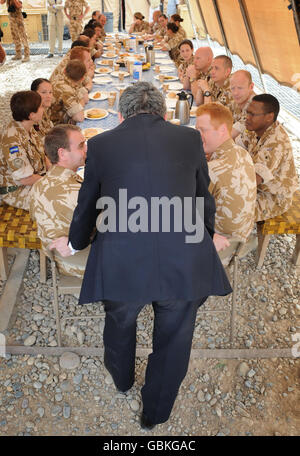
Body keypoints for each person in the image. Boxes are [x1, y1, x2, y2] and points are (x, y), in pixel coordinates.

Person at [49, 82, 231, 430]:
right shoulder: (190, 139)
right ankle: (155, 414)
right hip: (183, 256)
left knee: (119, 323)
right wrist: (205, 236)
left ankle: (122, 380)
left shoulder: (100, 145)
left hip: (122, 260)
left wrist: (75, 243)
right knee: (175, 339)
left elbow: (89, 203)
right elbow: (202, 198)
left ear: (120, 115)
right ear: (164, 114)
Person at [196, 102, 257, 266]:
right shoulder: (242, 152)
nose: (197, 135)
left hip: (219, 249)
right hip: (239, 242)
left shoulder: (212, 171)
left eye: (203, 130)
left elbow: (182, 208)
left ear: (222, 130)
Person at [30, 124, 89, 278]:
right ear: (62, 153)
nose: (86, 149)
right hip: (81, 263)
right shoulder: (80, 194)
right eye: (81, 146)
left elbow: (35, 218)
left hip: (56, 259)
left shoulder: (38, 186)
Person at [236, 94, 299, 222]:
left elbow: (253, 180)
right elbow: (236, 146)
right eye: (247, 113)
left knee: (229, 209)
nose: (247, 118)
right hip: (258, 186)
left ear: (269, 117)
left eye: (252, 114)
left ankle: (233, 240)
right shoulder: (256, 129)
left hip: (273, 197)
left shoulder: (276, 143)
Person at [0, 91, 47, 210]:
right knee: (58, 199)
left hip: (37, 177)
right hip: (17, 190)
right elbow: (26, 179)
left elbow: (42, 155)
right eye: (41, 106)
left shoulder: (27, 127)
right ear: (31, 115)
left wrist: (55, 172)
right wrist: (51, 181)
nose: (44, 108)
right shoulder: (12, 141)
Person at [49, 59, 88, 125]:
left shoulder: (65, 78)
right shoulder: (66, 89)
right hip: (56, 126)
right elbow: (79, 118)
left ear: (64, 71)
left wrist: (79, 104)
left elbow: (85, 99)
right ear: (82, 78)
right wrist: (80, 103)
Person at [230, 70, 256, 139]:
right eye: (232, 88)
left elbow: (229, 136)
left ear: (251, 87)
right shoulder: (237, 101)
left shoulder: (255, 107)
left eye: (240, 88)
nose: (235, 93)